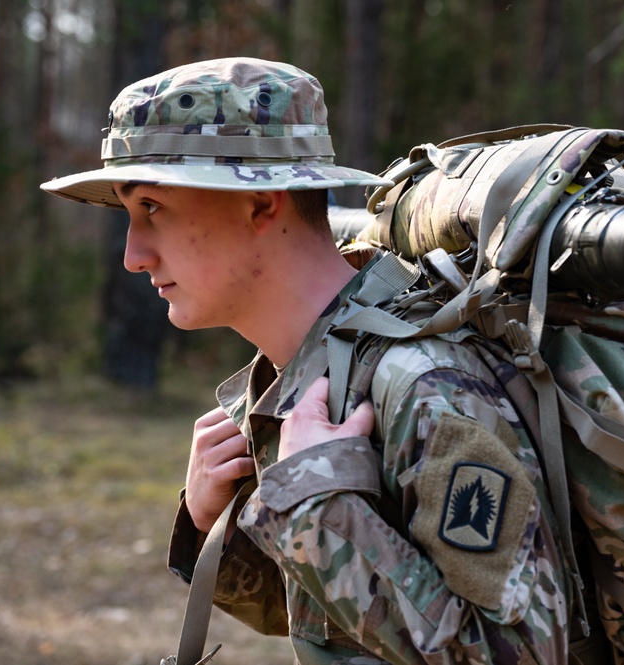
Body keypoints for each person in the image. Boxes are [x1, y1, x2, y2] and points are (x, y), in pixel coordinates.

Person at [41, 57, 571, 664]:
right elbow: (341, 624)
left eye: (153, 208)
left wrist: (318, 506)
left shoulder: (425, 387)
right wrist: (220, 524)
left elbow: (519, 654)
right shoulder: (308, 376)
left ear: (261, 204)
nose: (133, 255)